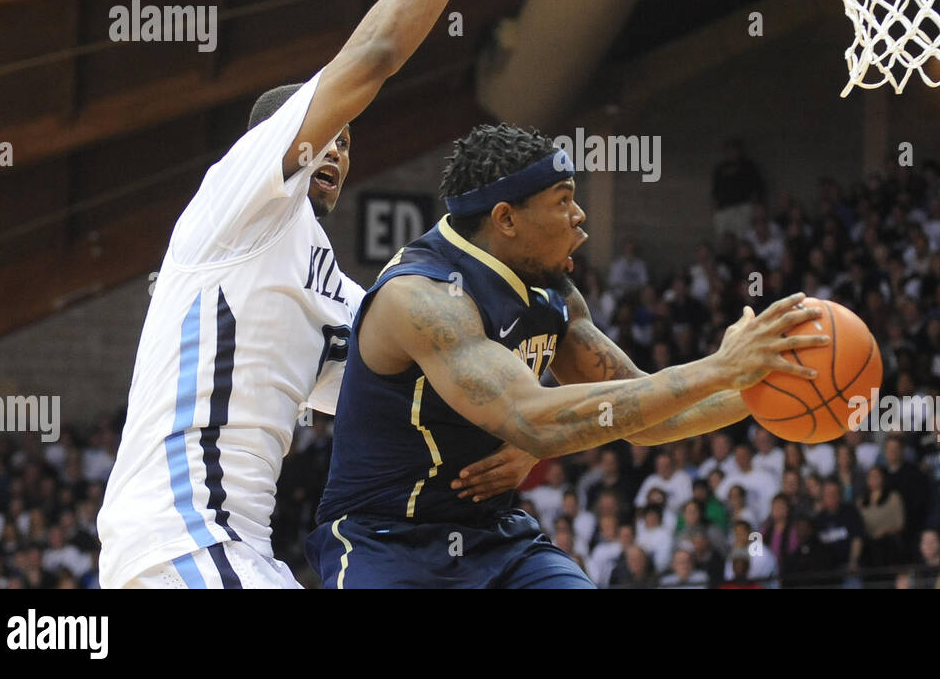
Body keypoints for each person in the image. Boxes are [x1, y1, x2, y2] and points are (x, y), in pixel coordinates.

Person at [96, 0, 544, 590]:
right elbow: (374, 57)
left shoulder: (333, 289)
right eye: (325, 132)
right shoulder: (237, 198)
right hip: (181, 537)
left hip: (235, 551)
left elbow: (430, 380)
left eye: (347, 140)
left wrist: (533, 429)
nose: (336, 147)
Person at [306, 124, 831, 588]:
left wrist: (768, 388)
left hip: (494, 537)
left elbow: (645, 419)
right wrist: (716, 367)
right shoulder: (421, 296)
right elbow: (531, 420)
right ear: (505, 219)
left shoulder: (553, 290)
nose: (580, 217)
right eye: (562, 200)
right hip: (385, 539)